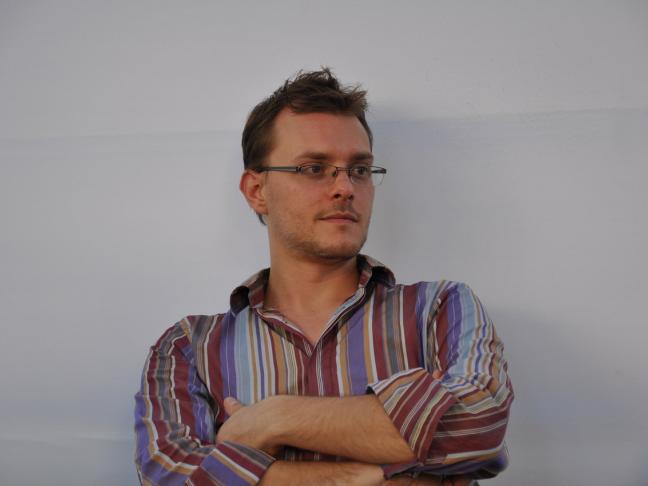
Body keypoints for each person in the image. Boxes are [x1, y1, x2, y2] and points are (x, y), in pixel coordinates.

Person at [134, 68, 514, 486]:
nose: (345, 187)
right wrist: (366, 474)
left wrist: (273, 419)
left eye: (360, 169)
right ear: (257, 191)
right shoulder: (190, 348)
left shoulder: (438, 310)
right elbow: (171, 476)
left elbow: (479, 429)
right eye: (314, 168)